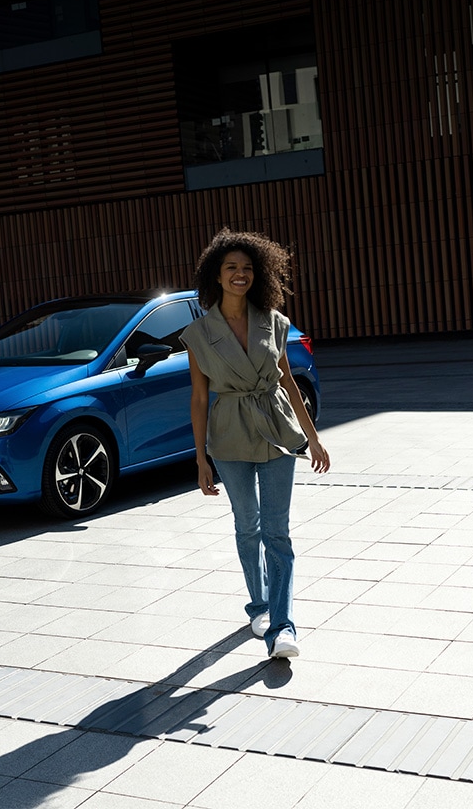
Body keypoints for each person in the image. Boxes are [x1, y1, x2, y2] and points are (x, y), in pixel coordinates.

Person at [180, 228, 330, 660]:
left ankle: (283, 628)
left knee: (276, 531)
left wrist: (313, 438)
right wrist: (201, 459)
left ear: (258, 273)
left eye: (247, 267)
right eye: (231, 267)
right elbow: (198, 398)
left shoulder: (274, 321)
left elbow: (289, 383)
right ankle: (259, 606)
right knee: (248, 526)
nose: (240, 274)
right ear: (216, 275)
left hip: (277, 431)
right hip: (229, 437)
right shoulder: (198, 334)